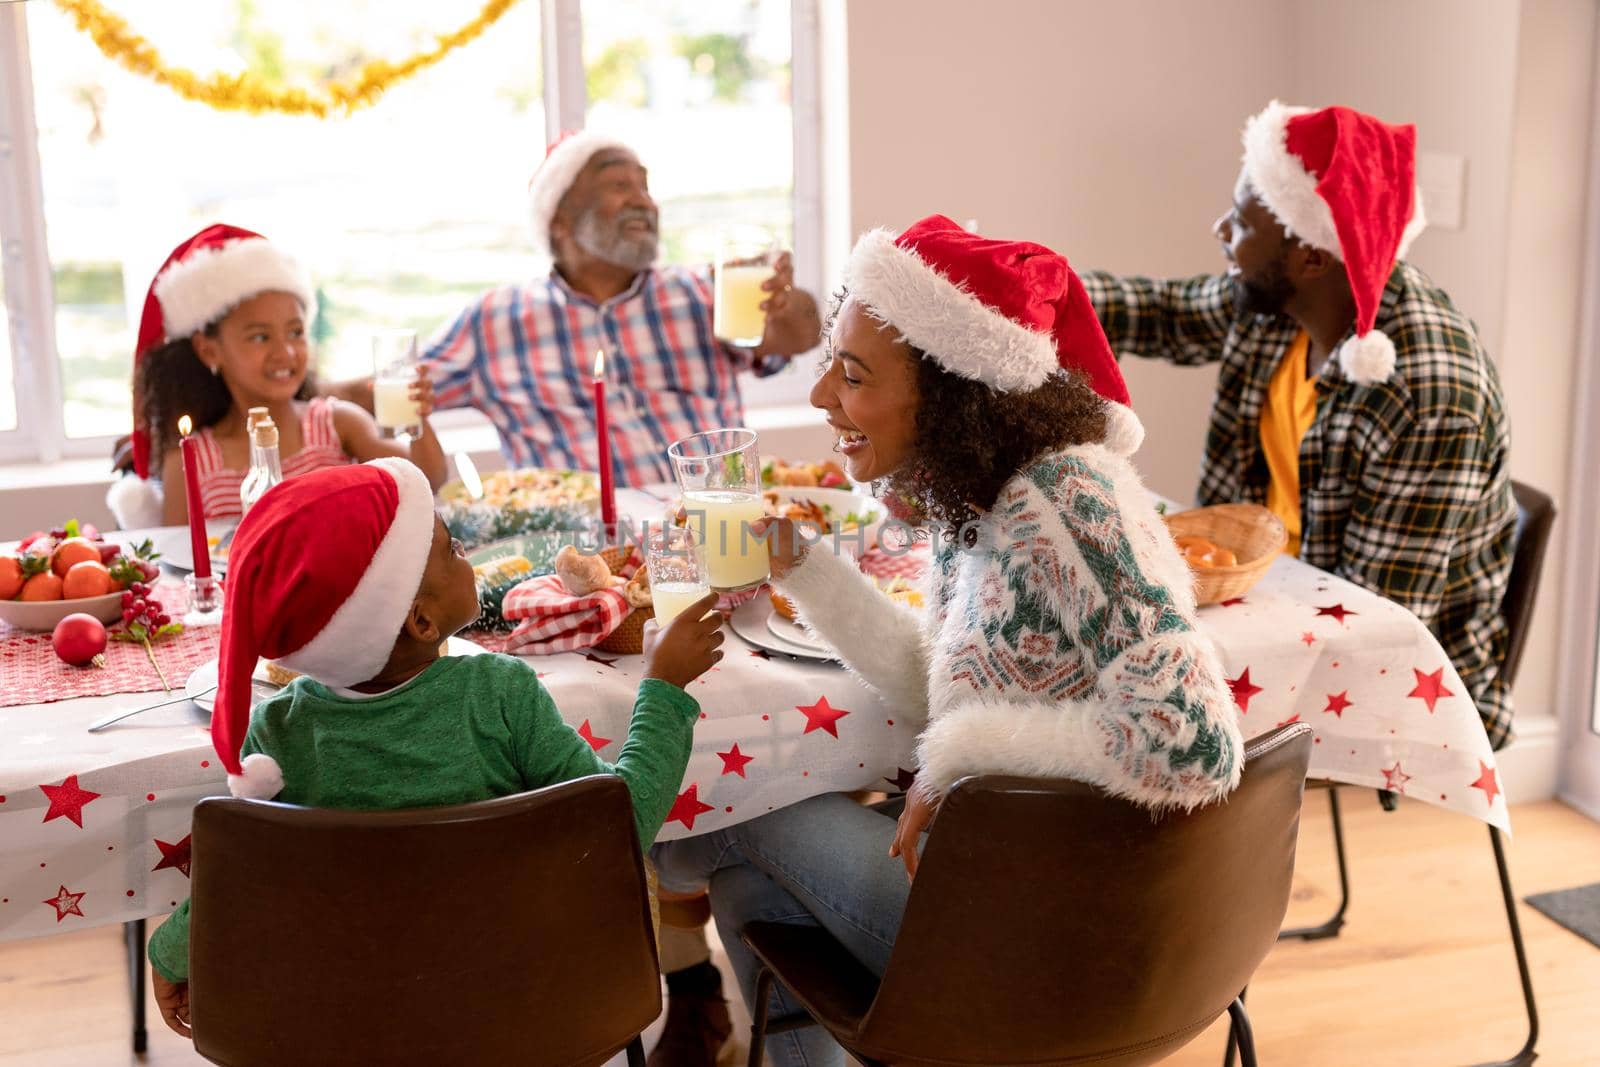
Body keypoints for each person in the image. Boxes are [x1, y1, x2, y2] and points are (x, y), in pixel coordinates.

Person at [652, 215, 1246, 1067]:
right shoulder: (981, 498)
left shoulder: (1067, 502)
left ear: (954, 390)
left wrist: (963, 752)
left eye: (852, 376)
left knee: (716, 823)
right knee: (747, 886)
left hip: (1068, 931)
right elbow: (943, 690)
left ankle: (653, 862)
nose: (822, 397)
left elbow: (1194, 740)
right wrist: (806, 568)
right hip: (1002, 874)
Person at [145, 458, 726, 1039]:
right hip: (534, 1009)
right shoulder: (499, 693)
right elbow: (623, 824)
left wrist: (170, 953)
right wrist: (664, 685)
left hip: (354, 1029)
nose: (467, 553)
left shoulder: (277, 730)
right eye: (452, 551)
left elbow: (245, 877)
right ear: (422, 621)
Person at [1080, 101, 1518, 748]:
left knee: (1113, 700)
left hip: (1390, 679)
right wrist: (1034, 289)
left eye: (1244, 221)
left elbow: (1375, 633)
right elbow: (1164, 314)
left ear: (1312, 256)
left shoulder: (1429, 395)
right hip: (1269, 605)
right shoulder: (1283, 302)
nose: (1221, 228)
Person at [421, 131, 824, 486]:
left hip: (716, 531)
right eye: (618, 185)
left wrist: (781, 302)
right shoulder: (495, 321)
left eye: (645, 187)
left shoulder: (702, 290)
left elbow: (801, 334)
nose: (643, 202)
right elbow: (391, 393)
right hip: (585, 548)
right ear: (559, 220)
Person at [110, 224, 449, 527]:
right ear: (208, 350)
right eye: (260, 336)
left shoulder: (337, 425)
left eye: (295, 332)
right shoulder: (191, 462)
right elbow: (179, 563)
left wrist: (419, 420)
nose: (285, 352)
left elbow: (426, 481)